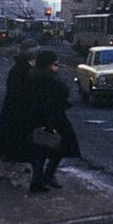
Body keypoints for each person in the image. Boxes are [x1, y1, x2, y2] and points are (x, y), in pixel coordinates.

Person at [19, 50, 81, 194]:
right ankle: (46, 175)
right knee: (62, 144)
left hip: (35, 117)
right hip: (53, 117)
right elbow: (63, 91)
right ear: (48, 63)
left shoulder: (32, 74)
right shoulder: (49, 76)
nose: (56, 66)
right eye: (54, 63)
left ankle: (38, 179)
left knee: (39, 148)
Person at [0, 39, 39, 180]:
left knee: (2, 143)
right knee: (34, 143)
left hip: (13, 111)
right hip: (18, 112)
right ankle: (40, 176)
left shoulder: (19, 68)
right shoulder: (24, 70)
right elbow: (24, 92)